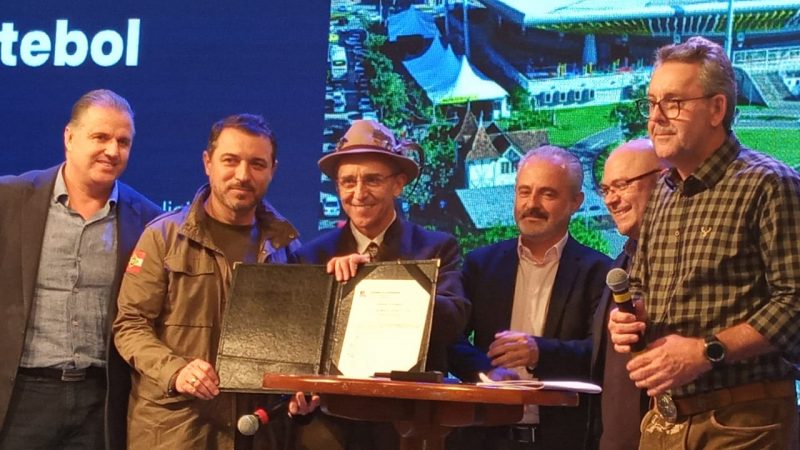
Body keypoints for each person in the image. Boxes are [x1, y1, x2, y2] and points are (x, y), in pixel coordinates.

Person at [609, 36, 800, 449]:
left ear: (717, 109)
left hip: (744, 422)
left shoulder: (770, 184)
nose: (655, 118)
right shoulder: (663, 191)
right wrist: (629, 317)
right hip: (664, 421)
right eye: (651, 103)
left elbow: (795, 303)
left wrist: (705, 352)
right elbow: (640, 287)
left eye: (673, 103)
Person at [113, 114, 319, 450]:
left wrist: (299, 394)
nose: (243, 175)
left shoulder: (287, 249)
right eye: (230, 160)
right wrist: (176, 371)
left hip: (257, 432)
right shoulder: (163, 237)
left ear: (272, 170)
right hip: (177, 433)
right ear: (207, 163)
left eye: (257, 164)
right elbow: (129, 326)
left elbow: (298, 345)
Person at [290, 119, 470, 450]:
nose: (359, 194)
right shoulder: (312, 256)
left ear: (398, 184)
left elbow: (453, 322)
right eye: (348, 182)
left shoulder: (437, 248)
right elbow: (300, 346)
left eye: (372, 180)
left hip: (412, 427)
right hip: (335, 427)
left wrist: (375, 279)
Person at [0, 89, 162, 450]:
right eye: (100, 137)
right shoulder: (9, 199)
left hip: (101, 402)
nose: (112, 151)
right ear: (69, 137)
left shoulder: (148, 221)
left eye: (123, 141)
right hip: (19, 396)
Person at [447, 145, 611, 450]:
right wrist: (486, 370)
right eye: (524, 192)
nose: (531, 204)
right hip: (485, 439)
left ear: (576, 202)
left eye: (547, 194)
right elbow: (449, 338)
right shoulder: (481, 264)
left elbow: (602, 355)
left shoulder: (599, 271)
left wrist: (540, 353)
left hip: (564, 442)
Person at [591, 138, 665, 450]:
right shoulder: (621, 263)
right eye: (606, 189)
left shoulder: (683, 260)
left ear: (663, 179)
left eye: (621, 185)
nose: (611, 200)